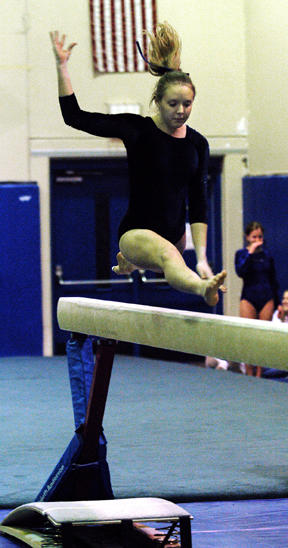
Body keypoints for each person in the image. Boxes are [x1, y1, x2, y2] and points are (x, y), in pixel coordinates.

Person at [50, 24, 226, 306]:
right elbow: (75, 117)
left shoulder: (198, 144)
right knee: (168, 257)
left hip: (176, 238)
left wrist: (202, 257)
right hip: (137, 233)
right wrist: (62, 68)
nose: (181, 111)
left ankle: (129, 263)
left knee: (170, 252)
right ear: (157, 101)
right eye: (173, 104)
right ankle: (200, 288)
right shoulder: (137, 130)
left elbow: (199, 202)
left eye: (187, 104)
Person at [235, 221, 279, 377]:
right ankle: (248, 371)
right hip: (248, 298)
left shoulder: (267, 255)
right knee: (248, 336)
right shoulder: (241, 254)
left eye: (260, 236)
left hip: (266, 297)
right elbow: (240, 271)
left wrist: (278, 303)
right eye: (254, 237)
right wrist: (250, 252)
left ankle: (259, 374)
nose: (258, 239)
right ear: (247, 237)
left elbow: (273, 279)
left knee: (261, 338)